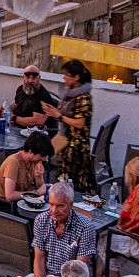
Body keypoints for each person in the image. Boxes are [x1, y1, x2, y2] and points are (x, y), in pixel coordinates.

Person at [41, 59, 96, 195]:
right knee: (63, 180)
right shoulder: (70, 95)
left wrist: (58, 115)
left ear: (76, 77)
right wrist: (54, 111)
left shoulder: (83, 98)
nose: (64, 78)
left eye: (67, 75)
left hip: (76, 148)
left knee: (74, 184)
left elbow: (80, 123)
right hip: (66, 143)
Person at [33, 180, 96, 277]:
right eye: (51, 204)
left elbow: (79, 270)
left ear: (71, 205)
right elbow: (39, 260)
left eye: (60, 206)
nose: (54, 210)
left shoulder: (85, 227)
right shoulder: (41, 220)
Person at [0, 131, 53, 204]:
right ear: (31, 151)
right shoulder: (13, 162)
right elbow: (10, 196)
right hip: (0, 202)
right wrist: (35, 193)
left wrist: (38, 177)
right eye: (42, 155)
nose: (44, 159)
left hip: (20, 200)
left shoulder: (34, 162)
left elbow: (41, 188)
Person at [10, 64, 59, 132]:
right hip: (17, 129)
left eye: (34, 78)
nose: (30, 81)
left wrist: (13, 118)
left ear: (39, 78)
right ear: (23, 77)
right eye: (27, 77)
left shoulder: (43, 96)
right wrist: (5, 111)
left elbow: (37, 121)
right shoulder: (20, 89)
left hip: (36, 134)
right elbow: (15, 105)